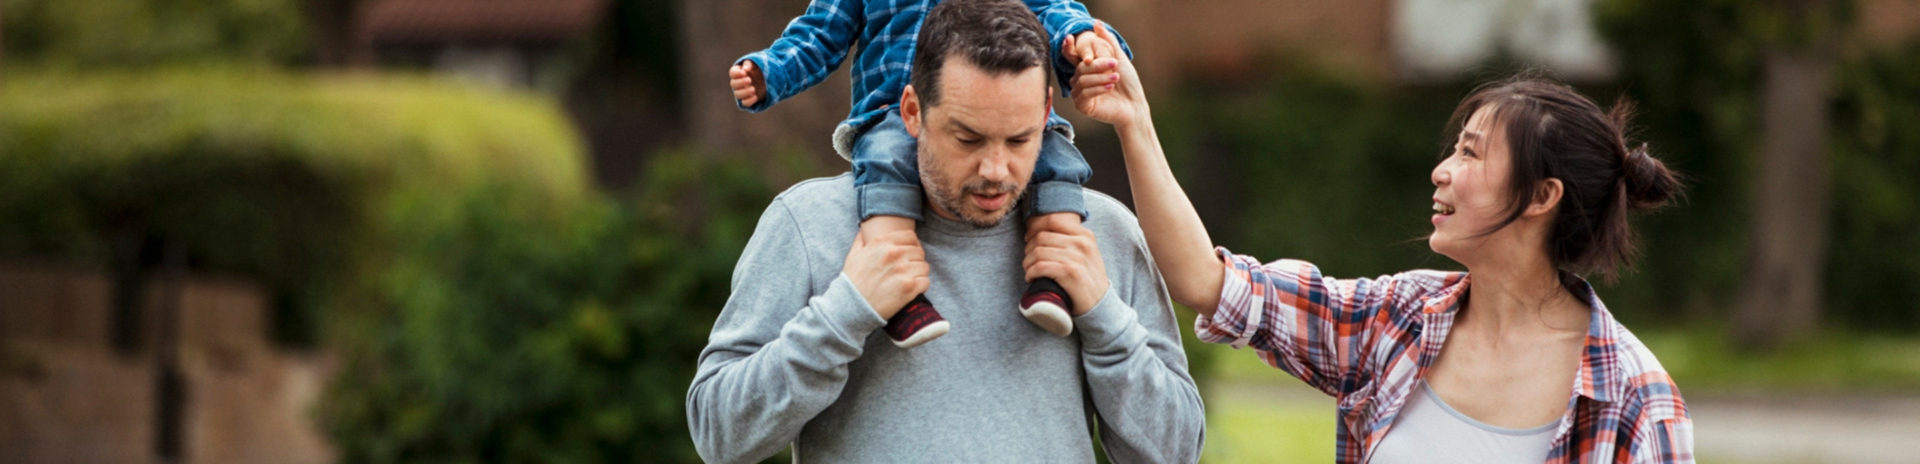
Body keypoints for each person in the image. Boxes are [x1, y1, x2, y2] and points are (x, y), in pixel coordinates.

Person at [1066, 25, 1695, 463]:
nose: (1441, 170)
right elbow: (1209, 283)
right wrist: (1135, 122)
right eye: (1454, 147)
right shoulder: (1392, 321)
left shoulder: (1632, 397)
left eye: (1471, 154)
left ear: (1541, 197)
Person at [687, 1, 1204, 462]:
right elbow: (719, 435)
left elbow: (1177, 450)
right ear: (911, 111)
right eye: (968, 138)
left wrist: (1104, 317)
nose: (997, 169)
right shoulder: (809, 225)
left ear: (1048, 112)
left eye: (1020, 139)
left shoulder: (1104, 233)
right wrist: (843, 315)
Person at [726, 0, 1131, 347]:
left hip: (1002, 114)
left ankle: (1054, 276)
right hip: (889, 112)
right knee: (886, 160)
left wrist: (1085, 44)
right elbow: (819, 34)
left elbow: (1055, 13)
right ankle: (898, 292)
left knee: (1057, 159)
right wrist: (770, 73)